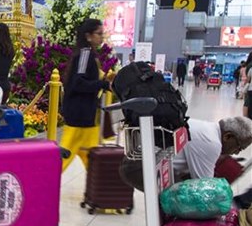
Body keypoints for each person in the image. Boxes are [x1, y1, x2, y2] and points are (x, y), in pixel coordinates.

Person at [120, 116, 252, 191]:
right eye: (239, 147)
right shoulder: (212, 143)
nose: (235, 153)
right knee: (185, 199)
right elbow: (204, 187)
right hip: (139, 167)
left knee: (180, 192)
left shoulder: (209, 129)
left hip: (140, 161)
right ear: (228, 136)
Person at [60, 18, 115, 172]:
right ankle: (43, 186)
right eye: (98, 33)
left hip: (87, 115)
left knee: (91, 158)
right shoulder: (85, 54)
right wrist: (103, 84)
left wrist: (105, 80)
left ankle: (97, 192)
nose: (101, 37)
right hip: (78, 116)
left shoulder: (89, 54)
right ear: (88, 36)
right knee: (64, 157)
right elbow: (79, 82)